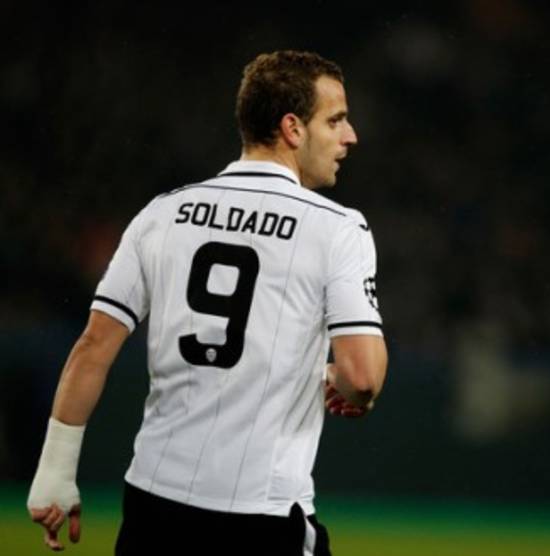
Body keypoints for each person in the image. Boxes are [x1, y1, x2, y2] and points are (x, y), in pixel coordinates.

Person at [26, 49, 387, 555]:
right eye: (336, 120)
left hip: (153, 508)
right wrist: (341, 382)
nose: (350, 136)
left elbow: (93, 347)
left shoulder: (161, 213)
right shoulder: (338, 229)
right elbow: (363, 377)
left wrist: (55, 473)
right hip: (260, 514)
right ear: (292, 128)